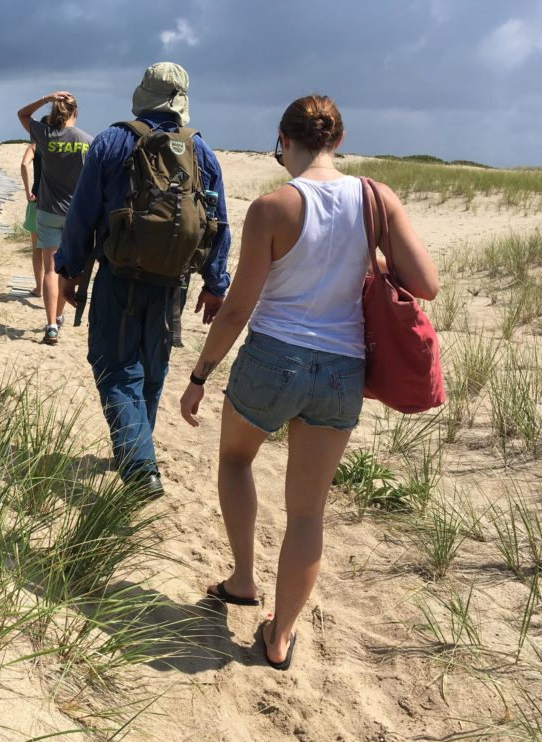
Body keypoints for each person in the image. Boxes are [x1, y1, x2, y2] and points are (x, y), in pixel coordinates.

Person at [179, 94, 439, 670]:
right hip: (342, 369)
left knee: (236, 461)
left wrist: (200, 374)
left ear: (283, 140)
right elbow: (427, 283)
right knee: (306, 514)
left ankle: (243, 579)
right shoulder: (376, 198)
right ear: (338, 141)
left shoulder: (272, 207)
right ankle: (279, 638)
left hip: (273, 357)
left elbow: (238, 307)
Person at [56, 62, 231, 497]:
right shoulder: (201, 153)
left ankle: (138, 466)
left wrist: (68, 270)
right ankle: (135, 450)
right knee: (152, 371)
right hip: (173, 283)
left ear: (142, 94)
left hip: (120, 277)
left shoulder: (112, 142)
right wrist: (215, 284)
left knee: (114, 368)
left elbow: (82, 216)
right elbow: (218, 223)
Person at [17, 91, 92, 344]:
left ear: (54, 112)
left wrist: (45, 98)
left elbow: (22, 114)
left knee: (50, 270)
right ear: (76, 113)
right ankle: (59, 315)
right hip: (76, 215)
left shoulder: (46, 136)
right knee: (66, 271)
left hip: (48, 211)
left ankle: (50, 325)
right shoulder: (87, 141)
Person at [20, 142, 44, 297]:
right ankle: (55, 287)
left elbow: (24, 164)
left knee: (37, 248)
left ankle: (39, 288)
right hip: (60, 202)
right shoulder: (60, 145)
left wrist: (28, 191)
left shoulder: (35, 147)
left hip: (37, 199)